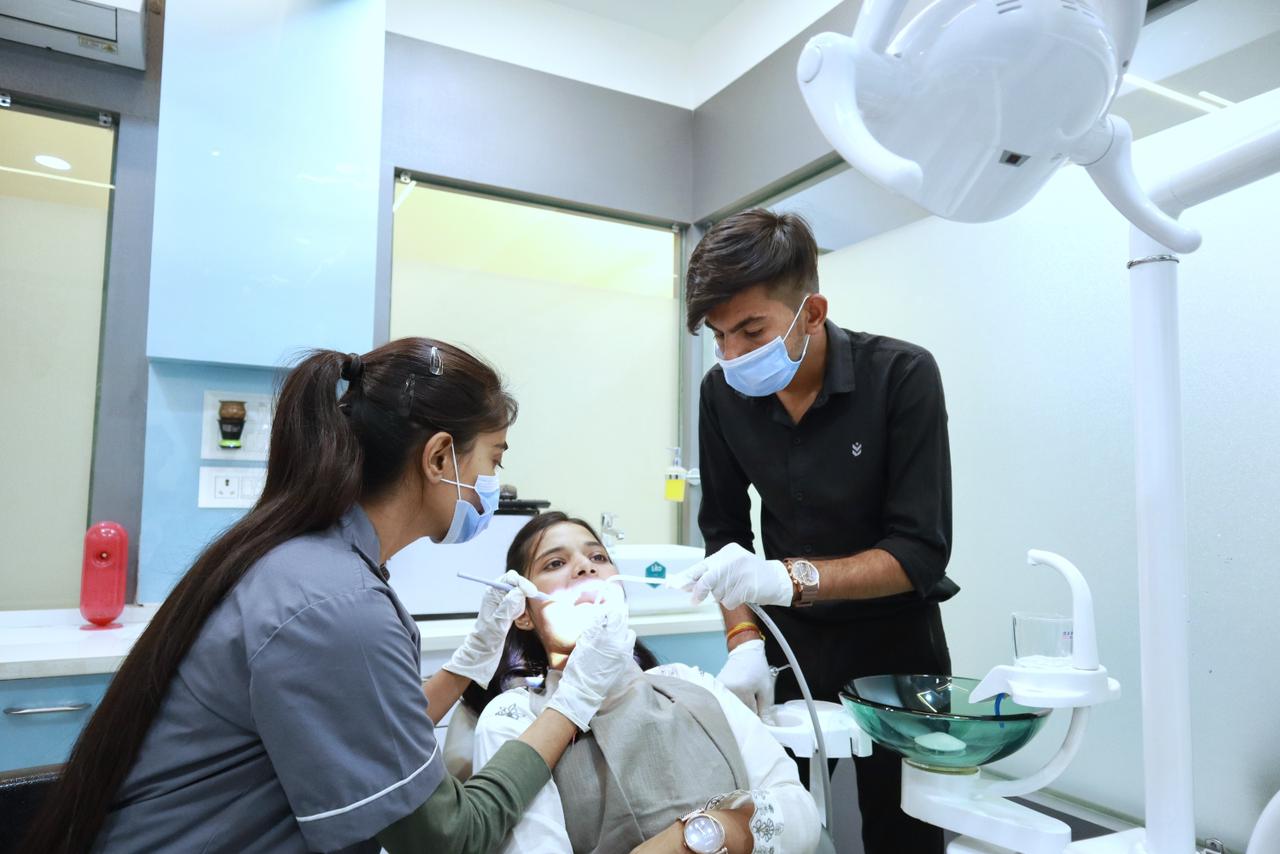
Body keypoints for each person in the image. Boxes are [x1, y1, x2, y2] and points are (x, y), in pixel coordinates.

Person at [22, 338, 636, 854]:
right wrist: (574, 701)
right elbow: (451, 836)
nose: (494, 487)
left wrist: (466, 665)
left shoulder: (308, 560)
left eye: (595, 558)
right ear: (440, 456)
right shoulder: (338, 604)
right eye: (492, 461)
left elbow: (360, 737)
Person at [673, 210, 958, 852]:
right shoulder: (722, 395)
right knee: (780, 827)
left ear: (812, 311)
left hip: (897, 645)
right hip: (787, 645)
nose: (733, 356)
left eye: (751, 331)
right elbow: (723, 530)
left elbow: (919, 551)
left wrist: (786, 576)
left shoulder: (902, 377)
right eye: (719, 337)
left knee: (903, 833)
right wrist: (744, 640)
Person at [464, 512, 822, 854]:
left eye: (598, 556)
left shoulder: (688, 682)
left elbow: (800, 813)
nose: (586, 567)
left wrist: (705, 834)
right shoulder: (516, 718)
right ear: (523, 612)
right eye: (555, 563)